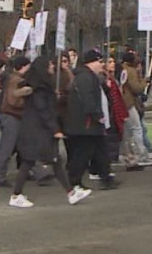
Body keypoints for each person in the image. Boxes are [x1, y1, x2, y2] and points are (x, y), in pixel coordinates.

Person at [9, 56, 91, 208]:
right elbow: (44, 111)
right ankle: (17, 195)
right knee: (44, 161)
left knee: (47, 161)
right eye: (50, 65)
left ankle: (70, 192)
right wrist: (55, 129)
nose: (52, 67)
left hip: (34, 129)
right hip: (38, 130)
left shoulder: (38, 87)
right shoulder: (40, 89)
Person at [65, 49, 118, 192]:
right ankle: (74, 181)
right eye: (100, 62)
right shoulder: (85, 77)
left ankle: (105, 177)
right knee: (84, 153)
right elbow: (87, 98)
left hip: (88, 122)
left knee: (100, 150)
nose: (102, 65)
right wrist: (96, 115)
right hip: (86, 123)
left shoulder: (87, 76)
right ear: (91, 62)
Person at [0, 56, 31, 187]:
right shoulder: (16, 80)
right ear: (24, 66)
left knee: (9, 145)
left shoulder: (11, 78)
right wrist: (25, 97)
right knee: (7, 147)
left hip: (10, 115)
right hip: (12, 115)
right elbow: (13, 99)